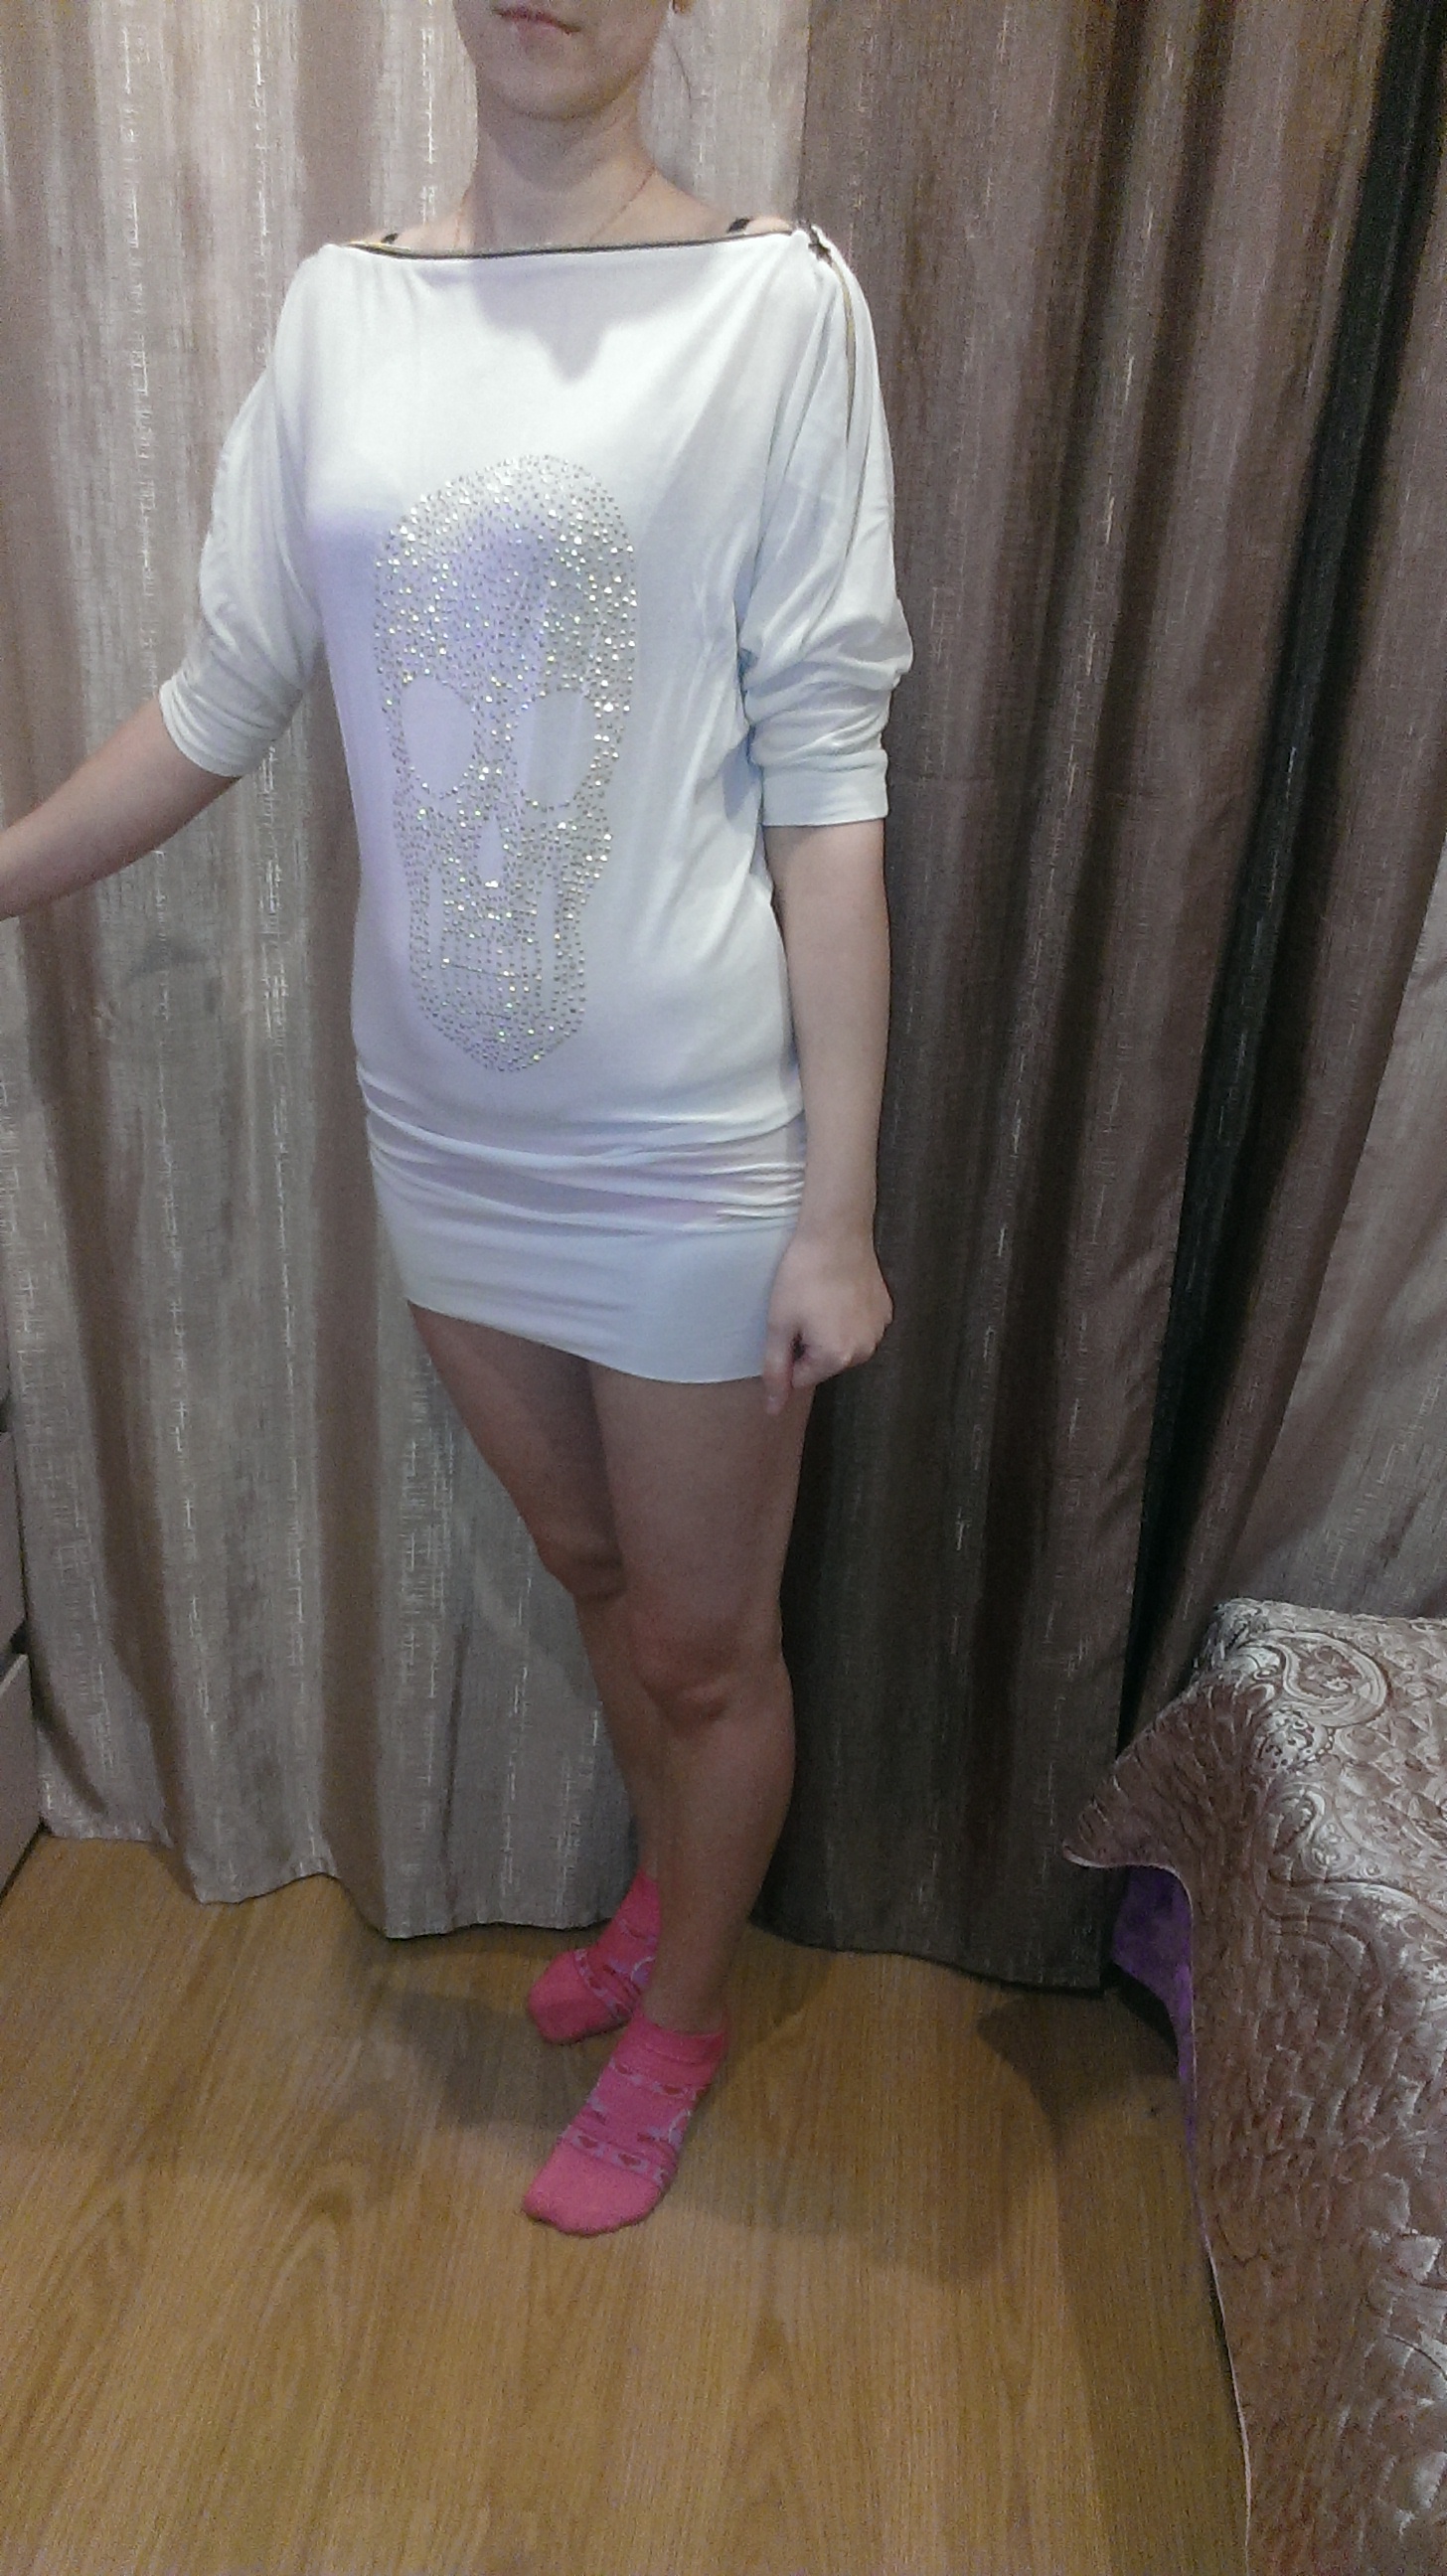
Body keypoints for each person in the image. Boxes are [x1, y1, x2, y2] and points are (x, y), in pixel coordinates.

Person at [0, 0, 912, 2235]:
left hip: (689, 1141)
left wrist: (836, 1212)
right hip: (443, 1125)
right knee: (590, 1566)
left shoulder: (774, 309)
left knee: (703, 1640)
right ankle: (663, 1906)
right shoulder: (343, 313)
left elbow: (827, 785)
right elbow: (221, 692)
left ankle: (683, 2014)